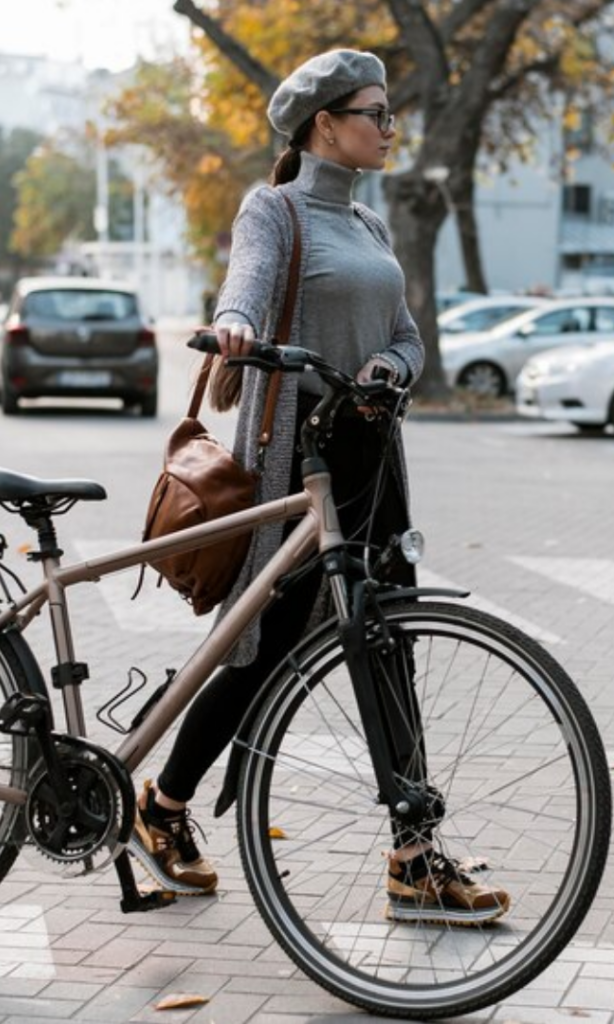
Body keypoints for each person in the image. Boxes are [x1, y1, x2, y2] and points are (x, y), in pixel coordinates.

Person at [132, 49, 510, 925]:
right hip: (297, 462)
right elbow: (249, 284)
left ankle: (413, 858)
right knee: (259, 654)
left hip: (371, 465)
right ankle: (165, 805)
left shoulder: (373, 229)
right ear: (325, 125)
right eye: (375, 113)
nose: (388, 127)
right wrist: (233, 325)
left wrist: (389, 362)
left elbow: (412, 338)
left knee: (390, 646)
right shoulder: (277, 209)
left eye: (387, 113)